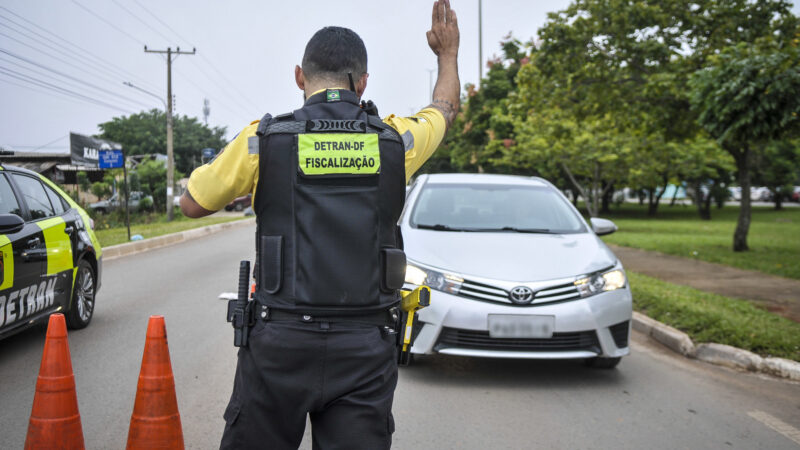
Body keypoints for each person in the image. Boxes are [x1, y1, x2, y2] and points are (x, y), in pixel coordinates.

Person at [180, 1, 459, 448]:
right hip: (366, 346)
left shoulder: (261, 141)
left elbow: (192, 204)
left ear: (299, 77)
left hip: (279, 344)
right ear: (363, 81)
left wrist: (259, 181)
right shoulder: (397, 141)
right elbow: (444, 110)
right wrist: (448, 55)